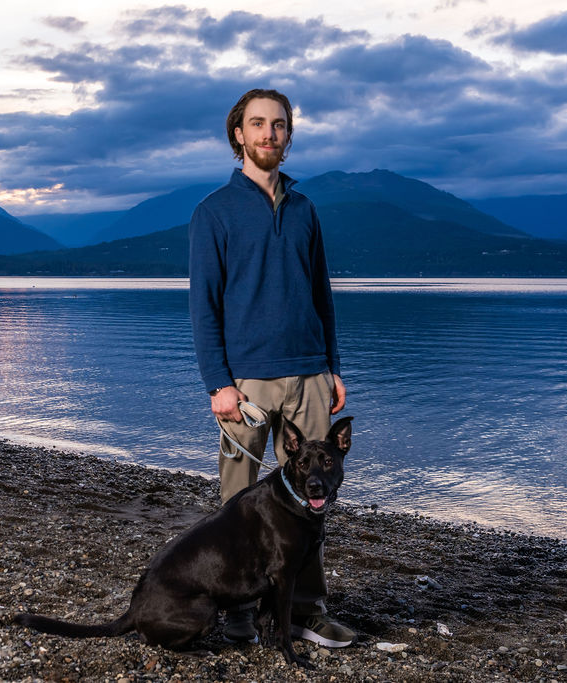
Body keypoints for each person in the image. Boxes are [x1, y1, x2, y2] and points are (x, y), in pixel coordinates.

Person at [188, 88, 354, 648]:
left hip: (309, 374)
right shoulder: (214, 211)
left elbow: (321, 294)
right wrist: (218, 382)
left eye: (278, 125)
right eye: (257, 124)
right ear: (238, 134)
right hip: (246, 382)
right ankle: (238, 611)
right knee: (239, 502)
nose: (268, 134)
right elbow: (204, 304)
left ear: (288, 135)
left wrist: (332, 366)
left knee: (312, 498)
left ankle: (306, 609)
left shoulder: (305, 210)